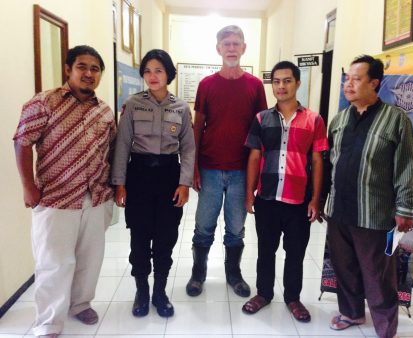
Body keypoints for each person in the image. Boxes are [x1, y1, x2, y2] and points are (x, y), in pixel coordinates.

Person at [13, 45, 116, 337]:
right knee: (54, 262)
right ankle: (48, 321)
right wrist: (27, 186)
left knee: (90, 258)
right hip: (55, 198)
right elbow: (22, 142)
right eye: (82, 67)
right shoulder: (45, 102)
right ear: (68, 69)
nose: (88, 73)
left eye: (95, 69)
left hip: (96, 197)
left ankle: (81, 304)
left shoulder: (104, 111)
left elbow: (110, 151)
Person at [324, 55, 413, 338]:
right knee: (345, 268)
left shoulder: (396, 120)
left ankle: (385, 328)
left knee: (378, 274)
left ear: (374, 83)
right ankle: (352, 313)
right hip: (340, 210)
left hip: (375, 214)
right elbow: (329, 163)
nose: (348, 84)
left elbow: (406, 167)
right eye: (347, 79)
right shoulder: (339, 120)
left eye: (356, 79)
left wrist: (404, 209)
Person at [242, 61, 329, 322]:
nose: (281, 86)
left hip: (298, 200)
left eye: (287, 80)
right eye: (276, 81)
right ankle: (264, 294)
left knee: (295, 253)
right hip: (267, 197)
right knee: (265, 251)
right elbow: (255, 158)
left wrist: (315, 199)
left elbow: (317, 161)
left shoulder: (314, 120)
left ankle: (293, 298)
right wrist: (249, 194)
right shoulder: (261, 118)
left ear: (298, 83)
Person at [186, 25, 267, 298]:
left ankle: (233, 273)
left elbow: (261, 131)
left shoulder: (255, 86)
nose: (231, 48)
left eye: (236, 43)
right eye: (226, 43)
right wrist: (194, 166)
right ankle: (199, 273)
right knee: (204, 226)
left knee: (236, 227)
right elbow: (197, 128)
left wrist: (257, 176)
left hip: (241, 170)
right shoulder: (206, 85)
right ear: (218, 48)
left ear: (243, 48)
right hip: (209, 168)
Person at [112, 49, 195, 318]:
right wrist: (119, 183)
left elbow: (189, 148)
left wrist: (184, 184)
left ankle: (160, 291)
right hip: (139, 177)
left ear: (169, 73)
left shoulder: (181, 108)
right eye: (147, 70)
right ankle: (142, 291)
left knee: (166, 237)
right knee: (139, 238)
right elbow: (122, 145)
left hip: (169, 176)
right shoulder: (133, 104)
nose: (152, 76)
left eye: (158, 70)